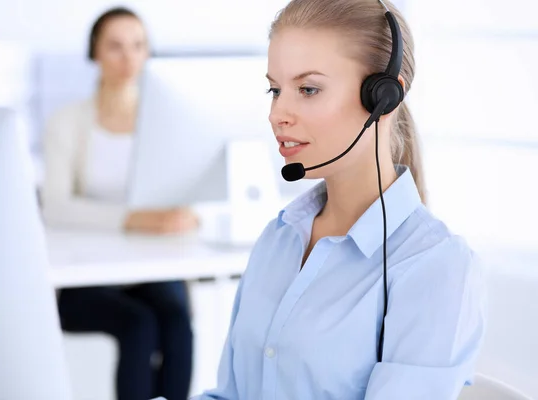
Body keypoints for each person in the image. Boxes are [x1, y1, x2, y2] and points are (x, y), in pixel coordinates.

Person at [193, 0, 485, 399]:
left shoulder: (434, 265)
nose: (278, 113)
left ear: (383, 99)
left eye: (308, 89)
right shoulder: (279, 238)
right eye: (275, 90)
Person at [40, 7, 196, 400]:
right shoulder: (67, 121)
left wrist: (184, 214)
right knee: (139, 324)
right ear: (94, 53)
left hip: (149, 266)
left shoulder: (164, 121)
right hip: (86, 274)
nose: (128, 58)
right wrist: (133, 219)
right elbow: (55, 207)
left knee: (177, 321)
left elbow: (184, 190)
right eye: (115, 47)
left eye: (138, 46)